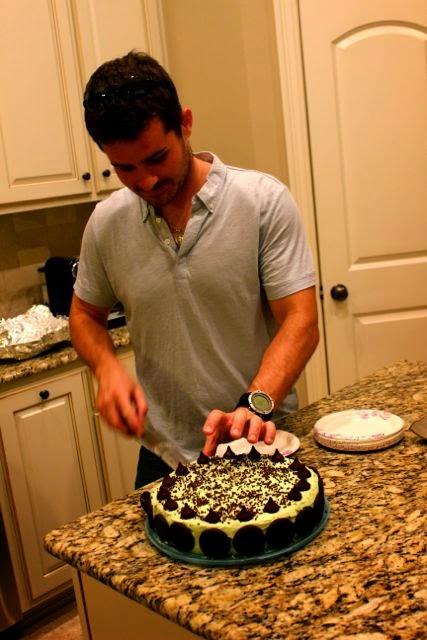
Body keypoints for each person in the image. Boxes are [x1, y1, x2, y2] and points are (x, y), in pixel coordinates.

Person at [69, 50, 320, 489]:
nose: (145, 181)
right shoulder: (106, 224)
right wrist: (106, 369)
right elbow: (85, 315)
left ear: (185, 124)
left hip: (261, 439)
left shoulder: (262, 201)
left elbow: (301, 320)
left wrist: (254, 405)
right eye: (124, 168)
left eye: (156, 158)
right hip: (162, 456)